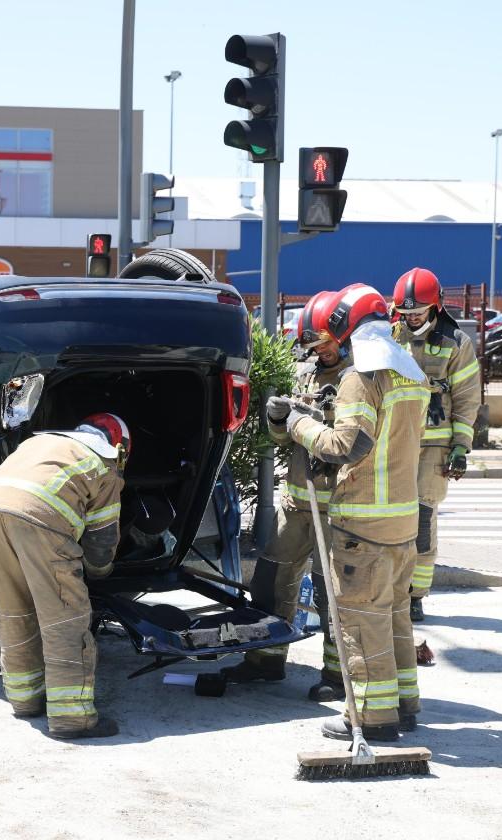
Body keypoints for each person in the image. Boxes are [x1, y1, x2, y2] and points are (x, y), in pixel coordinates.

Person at [271, 284, 430, 742]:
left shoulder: (363, 374)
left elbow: (347, 445)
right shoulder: (409, 369)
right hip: (401, 522)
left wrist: (298, 423)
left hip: (365, 523)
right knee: (396, 617)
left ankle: (372, 718)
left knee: (361, 620)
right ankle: (403, 703)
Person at [221, 292, 348, 698]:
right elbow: (285, 441)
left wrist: (307, 421)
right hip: (297, 503)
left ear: (343, 335)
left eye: (323, 342)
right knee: (272, 580)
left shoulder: (359, 380)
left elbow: (343, 442)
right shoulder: (309, 374)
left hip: (338, 507)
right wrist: (279, 420)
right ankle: (265, 659)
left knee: (332, 592)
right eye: (311, 344)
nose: (317, 351)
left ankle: (335, 676)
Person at [0, 414, 129, 740]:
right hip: (40, 519)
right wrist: (100, 572)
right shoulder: (102, 464)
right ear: (119, 446)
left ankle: (25, 699)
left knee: (15, 611)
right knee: (64, 619)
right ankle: (72, 719)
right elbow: (102, 540)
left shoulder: (41, 444)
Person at [391, 268, 482, 621]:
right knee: (387, 519)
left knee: (422, 521)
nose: (411, 317)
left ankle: (415, 595)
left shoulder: (455, 342)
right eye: (406, 311)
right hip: (394, 442)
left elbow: (467, 397)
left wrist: (461, 446)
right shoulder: (389, 334)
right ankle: (391, 590)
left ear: (436, 306)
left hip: (433, 448)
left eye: (418, 311)